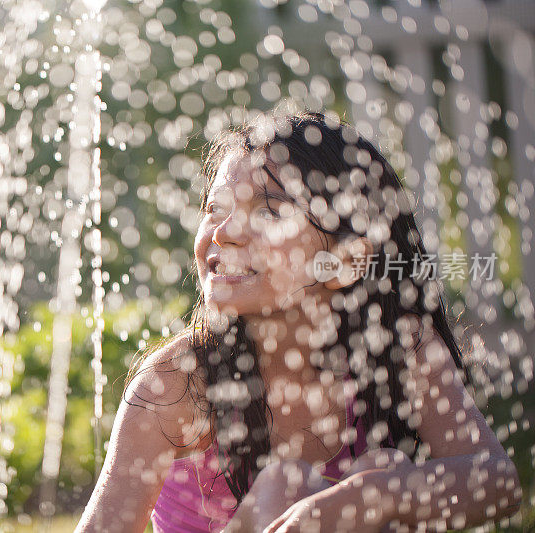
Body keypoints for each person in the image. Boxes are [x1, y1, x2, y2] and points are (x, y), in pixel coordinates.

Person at [75, 111, 521, 532]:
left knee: (384, 470)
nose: (225, 230)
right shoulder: (176, 386)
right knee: (286, 485)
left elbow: (498, 481)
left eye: (269, 211)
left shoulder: (398, 346)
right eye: (216, 207)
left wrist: (375, 495)